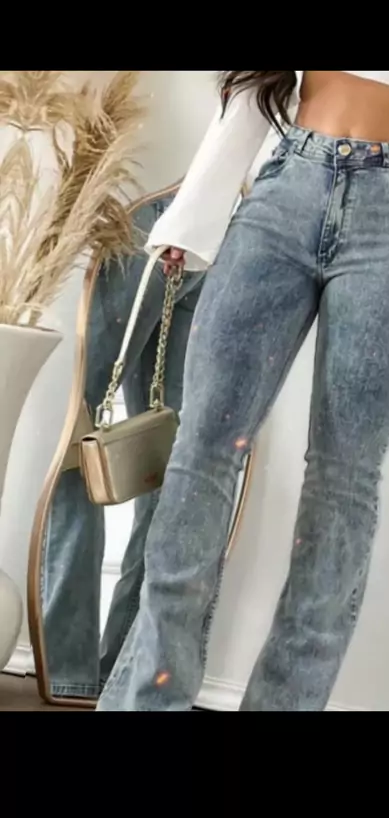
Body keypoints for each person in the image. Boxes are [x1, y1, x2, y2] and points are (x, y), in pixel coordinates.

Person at [97, 71, 389, 712]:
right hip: (284, 192)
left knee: (343, 482)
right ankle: (147, 701)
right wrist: (195, 216)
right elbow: (255, 89)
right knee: (201, 455)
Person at [42, 195, 204, 699]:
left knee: (75, 439)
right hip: (207, 228)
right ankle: (125, 674)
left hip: (142, 218)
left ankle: (67, 671)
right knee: (166, 455)